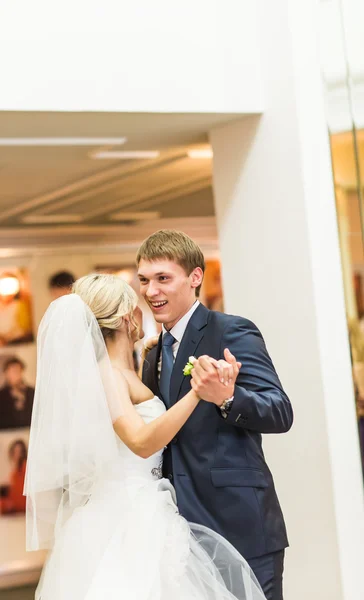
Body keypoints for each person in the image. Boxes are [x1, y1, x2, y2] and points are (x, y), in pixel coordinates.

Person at [24, 274, 266, 600]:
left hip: (146, 504)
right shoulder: (107, 374)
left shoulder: (124, 372)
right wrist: (197, 392)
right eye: (137, 307)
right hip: (127, 517)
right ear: (127, 317)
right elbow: (139, 442)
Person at [137, 230, 294, 600]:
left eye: (163, 278)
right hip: (181, 533)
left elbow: (280, 411)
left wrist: (227, 398)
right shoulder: (153, 354)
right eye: (144, 280)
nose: (150, 291)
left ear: (194, 278)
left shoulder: (231, 330)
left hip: (239, 523)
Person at [0, 357, 34, 430]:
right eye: (12, 371)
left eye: (18, 371)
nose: (16, 374)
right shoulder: (1, 395)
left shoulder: (32, 392)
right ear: (6, 373)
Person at [0, 439, 27, 514]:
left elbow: (22, 496)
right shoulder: (15, 471)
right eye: (15, 452)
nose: (17, 455)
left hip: (21, 504)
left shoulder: (25, 468)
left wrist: (11, 504)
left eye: (20, 452)